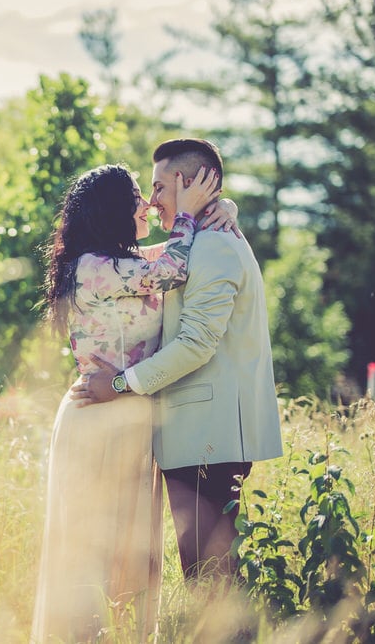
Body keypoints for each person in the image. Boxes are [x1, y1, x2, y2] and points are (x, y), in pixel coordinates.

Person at [31, 161, 235, 643]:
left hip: (126, 418)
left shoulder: (120, 265)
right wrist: (187, 212)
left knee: (132, 553)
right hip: (97, 419)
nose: (146, 205)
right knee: (92, 550)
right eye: (137, 197)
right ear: (113, 210)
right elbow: (175, 266)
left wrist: (220, 207)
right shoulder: (93, 268)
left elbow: (172, 255)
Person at [72, 138, 283, 586]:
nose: (150, 202)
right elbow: (160, 269)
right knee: (206, 577)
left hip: (207, 432)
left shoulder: (213, 246)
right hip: (189, 433)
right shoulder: (193, 244)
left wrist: (120, 384)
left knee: (211, 581)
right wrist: (221, 205)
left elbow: (196, 345)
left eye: (159, 188)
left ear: (187, 185)